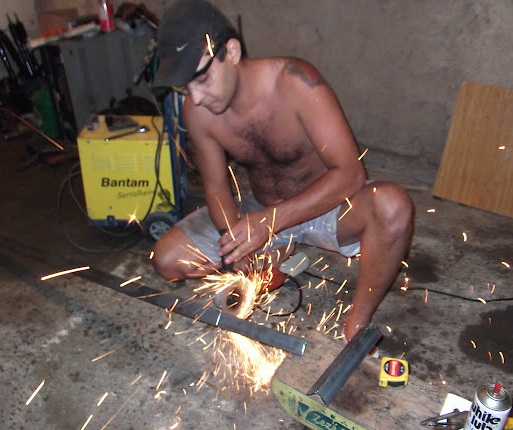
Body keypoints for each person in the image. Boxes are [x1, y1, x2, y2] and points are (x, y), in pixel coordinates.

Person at [151, 0, 413, 342]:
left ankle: (357, 325)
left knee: (393, 207)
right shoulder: (197, 111)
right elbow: (216, 187)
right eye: (187, 87)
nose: (196, 97)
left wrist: (270, 223)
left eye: (202, 79)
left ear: (231, 51)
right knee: (167, 259)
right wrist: (236, 247)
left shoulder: (295, 82)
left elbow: (351, 174)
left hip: (325, 209)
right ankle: (267, 264)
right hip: (260, 211)